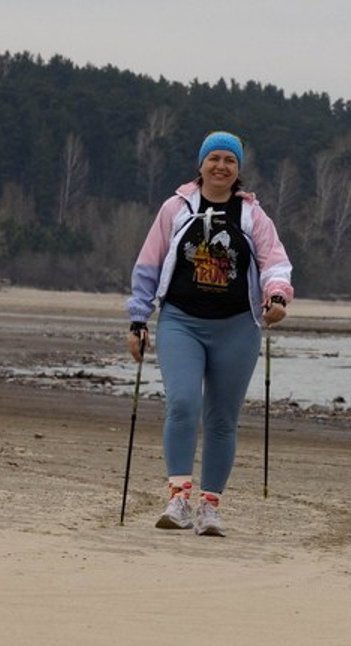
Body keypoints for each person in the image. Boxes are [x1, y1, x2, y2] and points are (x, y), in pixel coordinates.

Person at [126, 130, 294, 537]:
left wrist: (277, 297)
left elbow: (275, 263)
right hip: (181, 321)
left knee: (222, 419)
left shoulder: (253, 216)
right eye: (214, 158)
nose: (221, 166)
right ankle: (178, 498)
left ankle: (209, 506)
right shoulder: (176, 207)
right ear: (200, 165)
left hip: (237, 326)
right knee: (182, 405)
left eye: (230, 161)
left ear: (238, 169)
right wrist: (137, 319)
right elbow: (149, 264)